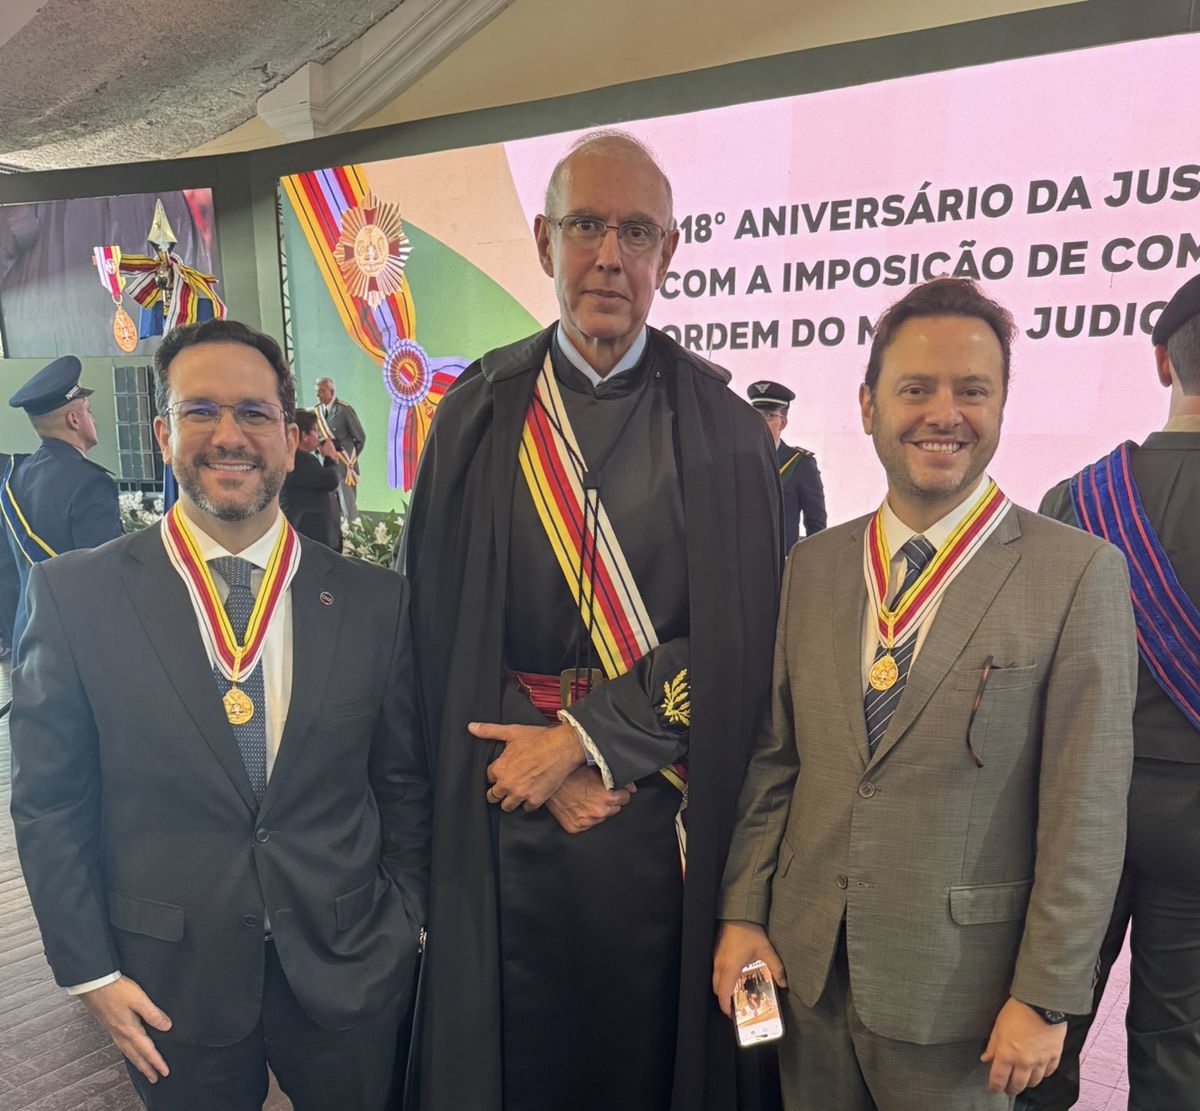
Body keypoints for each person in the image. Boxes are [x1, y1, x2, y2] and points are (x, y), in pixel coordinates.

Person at [401, 130, 781, 1111]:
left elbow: (742, 644)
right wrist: (534, 755)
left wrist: (584, 742)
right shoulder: (476, 414)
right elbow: (436, 628)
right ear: (544, 240)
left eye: (636, 231)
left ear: (669, 251)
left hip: (661, 821)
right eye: (585, 227)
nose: (610, 256)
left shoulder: (727, 432)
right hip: (507, 809)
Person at [713, 277, 1138, 1111]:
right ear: (869, 404)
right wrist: (743, 911)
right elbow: (778, 759)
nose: (944, 413)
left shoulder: (1076, 573)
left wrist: (1047, 995)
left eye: (972, 390)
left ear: (1002, 404)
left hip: (965, 1001)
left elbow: (1086, 811)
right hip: (805, 973)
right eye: (916, 388)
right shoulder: (813, 567)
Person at [10, 318, 430, 1111]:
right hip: (167, 981)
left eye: (254, 412)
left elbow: (403, 780)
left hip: (349, 967)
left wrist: (406, 921)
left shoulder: (375, 602)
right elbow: (50, 802)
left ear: (291, 439)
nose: (229, 435)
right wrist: (90, 972)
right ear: (162, 433)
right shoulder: (76, 597)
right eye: (200, 410)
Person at [1023, 272, 1200, 1111]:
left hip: (1084, 817)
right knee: (1180, 1052)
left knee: (1044, 1026)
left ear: (1162, 360)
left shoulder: (1078, 500)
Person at [1, 355, 122, 660]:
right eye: (88, 411)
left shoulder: (14, 477)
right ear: (74, 420)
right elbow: (106, 580)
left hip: (29, 640)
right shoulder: (90, 484)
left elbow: (10, 573)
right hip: (75, 645)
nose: (92, 419)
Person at [747, 380, 827, 544]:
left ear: (782, 422)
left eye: (769, 416)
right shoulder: (737, 460)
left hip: (782, 558)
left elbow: (816, 526)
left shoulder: (800, 464)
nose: (761, 422)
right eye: (756, 415)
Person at [281, 408, 342, 551]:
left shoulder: (303, 459)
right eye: (316, 431)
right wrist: (330, 458)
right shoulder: (298, 460)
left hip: (315, 541)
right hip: (311, 540)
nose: (319, 436)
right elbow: (330, 480)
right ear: (304, 435)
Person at [314, 375, 365, 523]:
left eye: (321, 391)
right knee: (331, 505)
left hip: (344, 467)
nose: (318, 395)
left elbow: (360, 438)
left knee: (348, 507)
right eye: (317, 392)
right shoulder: (317, 412)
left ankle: (353, 534)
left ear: (331, 391)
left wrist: (349, 458)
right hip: (326, 466)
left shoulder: (344, 410)